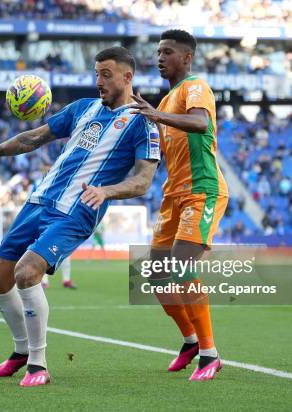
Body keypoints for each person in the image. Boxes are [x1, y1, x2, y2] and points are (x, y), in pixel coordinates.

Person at [0, 46, 160, 387]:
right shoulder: (84, 108)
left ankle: (38, 365)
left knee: (26, 273)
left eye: (106, 75)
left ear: (128, 77)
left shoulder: (144, 123)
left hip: (77, 210)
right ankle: (21, 350)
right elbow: (34, 137)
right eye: (96, 74)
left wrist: (107, 192)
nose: (99, 81)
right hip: (39, 201)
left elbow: (143, 181)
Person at [131, 29, 229, 381]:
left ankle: (209, 353)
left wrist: (155, 117)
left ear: (186, 58)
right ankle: (189, 341)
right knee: (156, 274)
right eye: (158, 51)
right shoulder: (165, 100)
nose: (160, 57)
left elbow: (200, 123)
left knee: (182, 264)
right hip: (173, 195)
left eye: (167, 51)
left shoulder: (195, 87)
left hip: (202, 190)